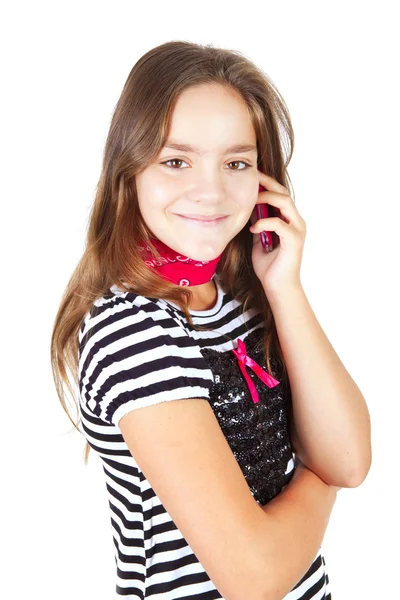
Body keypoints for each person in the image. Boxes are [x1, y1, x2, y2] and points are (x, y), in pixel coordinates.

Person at [51, 41, 371, 600]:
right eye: (177, 161)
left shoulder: (239, 293)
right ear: (131, 171)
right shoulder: (135, 331)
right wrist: (317, 474)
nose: (212, 190)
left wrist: (284, 287)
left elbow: (352, 457)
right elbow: (254, 576)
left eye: (236, 162)